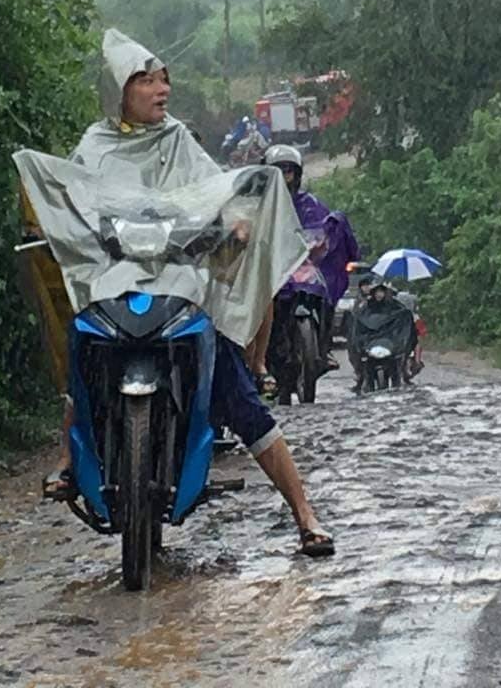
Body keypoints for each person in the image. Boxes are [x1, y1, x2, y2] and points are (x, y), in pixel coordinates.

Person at [25, 29, 334, 557]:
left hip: (182, 280)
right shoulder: (94, 146)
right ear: (118, 90)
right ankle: (69, 457)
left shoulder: (179, 141)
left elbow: (215, 188)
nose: (161, 90)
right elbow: (72, 197)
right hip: (114, 280)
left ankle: (305, 513)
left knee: (236, 392)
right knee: (82, 345)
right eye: (146, 81)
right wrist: (52, 224)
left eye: (164, 80)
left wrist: (236, 219)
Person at [259, 144, 359, 394]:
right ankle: (258, 360)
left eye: (288, 171)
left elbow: (321, 229)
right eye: (278, 171)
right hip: (269, 270)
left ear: (297, 174)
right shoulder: (258, 204)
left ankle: (324, 347)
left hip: (301, 268)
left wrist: (330, 231)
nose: (284, 177)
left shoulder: (309, 203)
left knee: (322, 294)